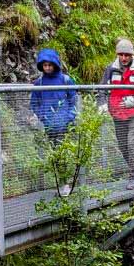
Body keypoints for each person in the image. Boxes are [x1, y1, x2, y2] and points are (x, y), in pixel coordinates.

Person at [100, 38, 134, 190]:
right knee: (123, 145)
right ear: (117, 55)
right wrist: (102, 103)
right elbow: (101, 88)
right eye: (121, 55)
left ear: (132, 55)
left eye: (127, 55)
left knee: (132, 143)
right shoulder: (110, 69)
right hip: (117, 113)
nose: (124, 58)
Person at [30, 48, 78, 195]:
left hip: (65, 125)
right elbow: (34, 102)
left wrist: (69, 117)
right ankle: (62, 184)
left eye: (50, 65)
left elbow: (74, 100)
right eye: (45, 65)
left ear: (55, 64)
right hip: (49, 125)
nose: (48, 68)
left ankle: (66, 184)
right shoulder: (39, 83)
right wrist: (43, 116)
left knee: (63, 153)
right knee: (54, 155)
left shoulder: (66, 80)